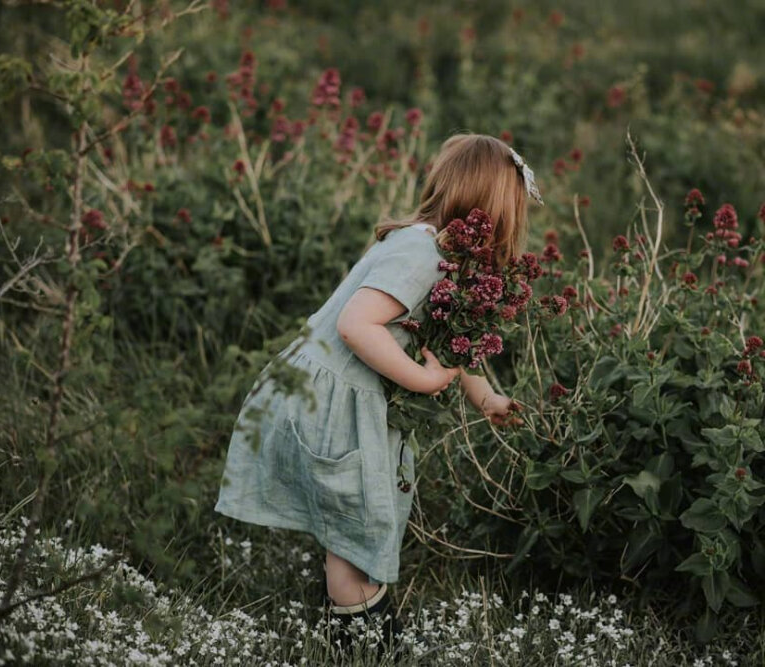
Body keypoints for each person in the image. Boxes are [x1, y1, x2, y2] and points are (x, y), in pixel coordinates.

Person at [213, 131, 542, 657]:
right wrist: (426, 381)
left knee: (353, 523)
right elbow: (356, 325)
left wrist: (486, 399)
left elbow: (450, 343)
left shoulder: (434, 251)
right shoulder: (421, 252)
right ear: (494, 209)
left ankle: (352, 628)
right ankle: (364, 646)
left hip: (321, 396)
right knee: (358, 538)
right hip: (333, 404)